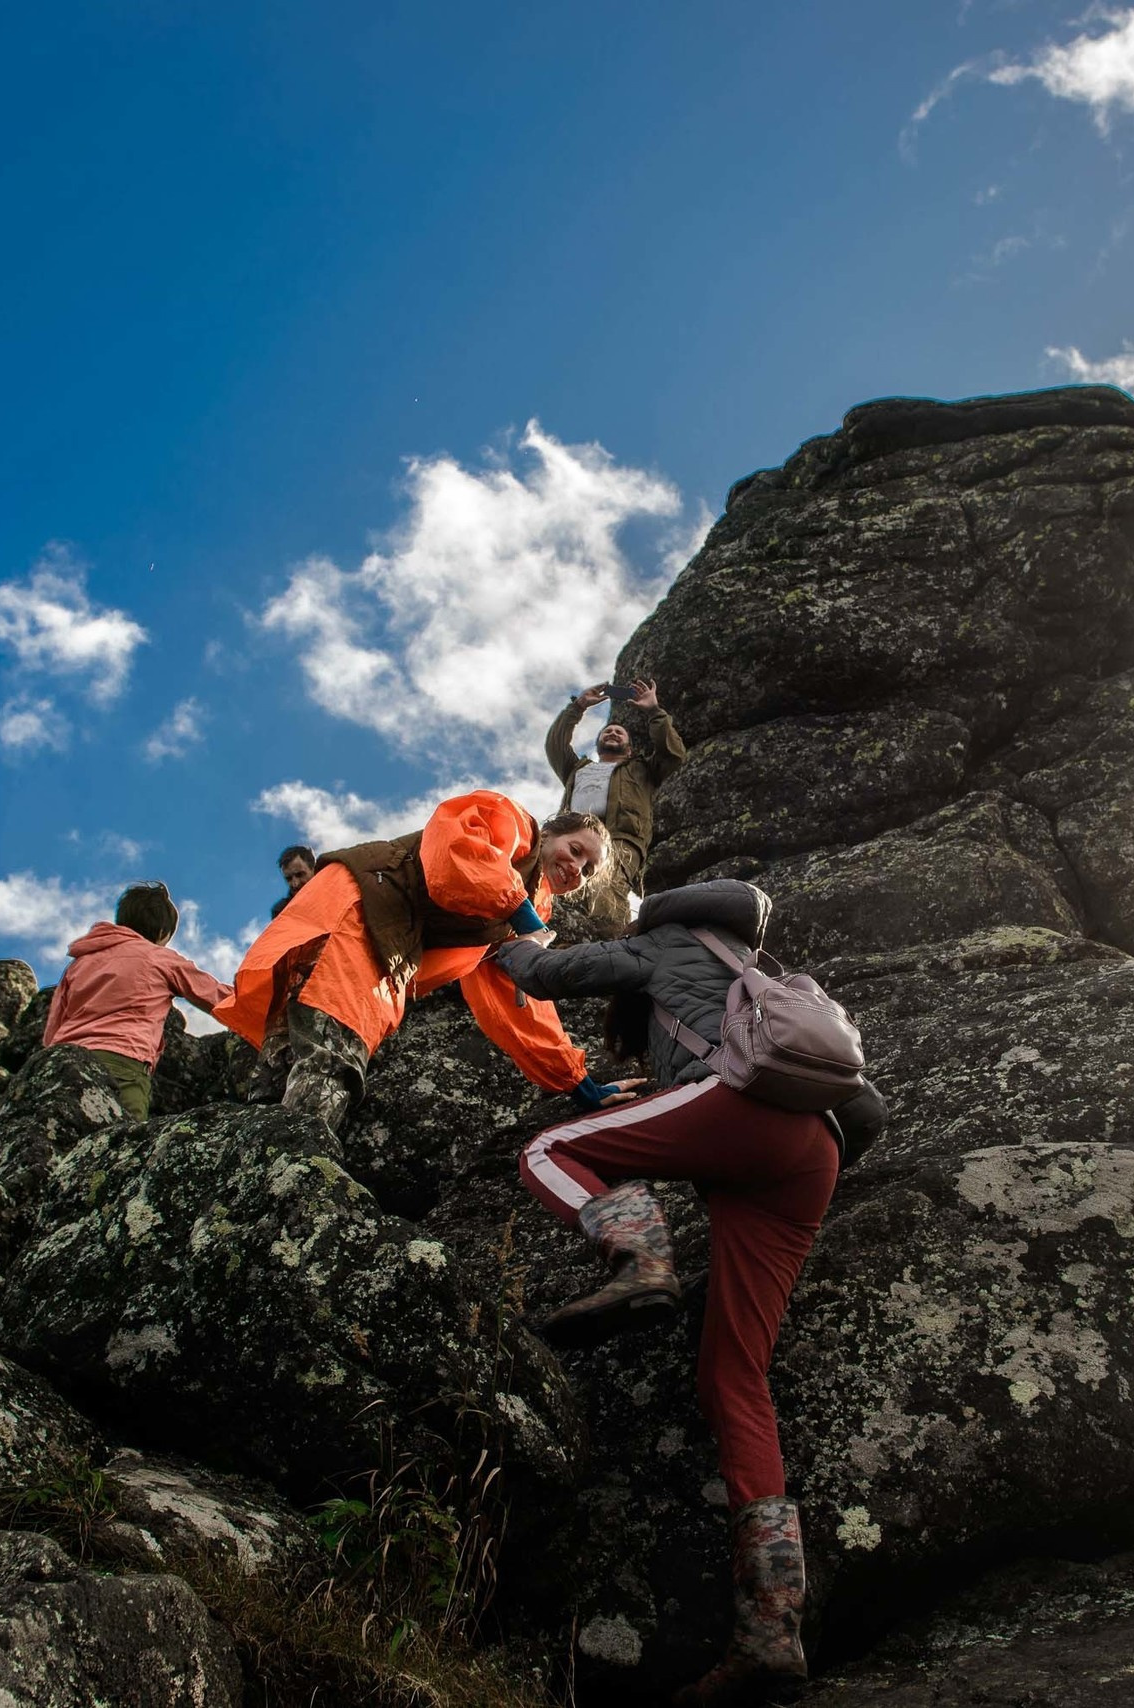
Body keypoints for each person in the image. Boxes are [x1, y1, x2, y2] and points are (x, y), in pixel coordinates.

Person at [492, 880, 887, 1706]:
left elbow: (546, 976)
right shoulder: (753, 964)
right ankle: (770, 1630)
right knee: (734, 1380)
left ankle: (640, 1258)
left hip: (735, 1113)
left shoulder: (662, 944)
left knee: (549, 1153)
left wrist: (500, 944)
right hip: (810, 1154)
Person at [219, 790, 632, 1132]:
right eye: (575, 850)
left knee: (282, 1067)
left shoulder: (528, 917)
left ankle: (259, 1176)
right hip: (359, 916)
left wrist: (576, 1082)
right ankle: (297, 1182)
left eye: (588, 870)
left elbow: (519, 1004)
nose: (576, 868)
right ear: (552, 832)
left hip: (377, 941)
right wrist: (518, 911)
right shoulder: (514, 825)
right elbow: (456, 852)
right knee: (333, 1055)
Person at [39, 882, 233, 1120]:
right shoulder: (159, 958)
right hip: (122, 1064)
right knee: (118, 1146)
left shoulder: (79, 964)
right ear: (163, 932)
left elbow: (52, 1029)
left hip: (64, 1062)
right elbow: (216, 996)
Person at [545, 675, 687, 904]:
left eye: (619, 733)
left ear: (629, 749)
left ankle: (606, 937)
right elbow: (555, 745)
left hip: (620, 839)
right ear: (598, 743)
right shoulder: (577, 769)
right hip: (571, 837)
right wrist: (578, 706)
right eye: (607, 731)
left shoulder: (642, 770)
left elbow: (674, 754)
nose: (612, 733)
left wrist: (653, 710)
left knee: (607, 889)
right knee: (555, 887)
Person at [271, 844, 317, 918]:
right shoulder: (281, 912)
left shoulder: (334, 889)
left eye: (300, 875)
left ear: (313, 869)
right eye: (289, 879)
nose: (295, 883)